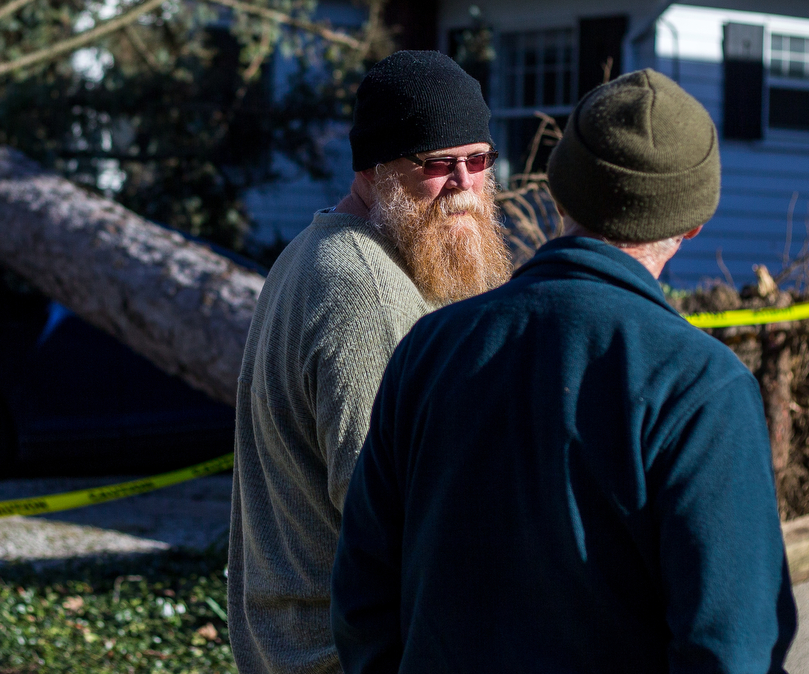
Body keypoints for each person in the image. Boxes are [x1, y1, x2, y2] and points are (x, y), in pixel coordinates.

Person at [332, 69, 797, 673]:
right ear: (693, 224)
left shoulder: (432, 347)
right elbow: (733, 648)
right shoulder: (700, 386)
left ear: (559, 193)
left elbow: (362, 597)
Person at [229, 50, 513, 674]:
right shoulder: (366, 293)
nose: (465, 185)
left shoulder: (313, 250)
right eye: (439, 164)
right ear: (376, 166)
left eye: (479, 160)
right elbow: (399, 529)